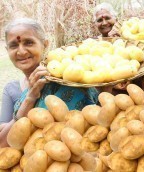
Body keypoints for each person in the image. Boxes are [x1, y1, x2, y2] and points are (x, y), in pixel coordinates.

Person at [0, 18, 98, 147]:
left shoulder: (70, 80)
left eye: (29, 43)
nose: (21, 51)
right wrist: (30, 98)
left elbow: (96, 122)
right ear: (7, 50)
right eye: (14, 45)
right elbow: (3, 143)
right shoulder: (11, 89)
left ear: (45, 44)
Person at [93, 2, 144, 95]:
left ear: (115, 19)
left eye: (108, 18)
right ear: (95, 24)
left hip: (136, 93)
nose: (104, 23)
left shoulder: (130, 39)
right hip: (107, 97)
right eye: (99, 20)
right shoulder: (93, 44)